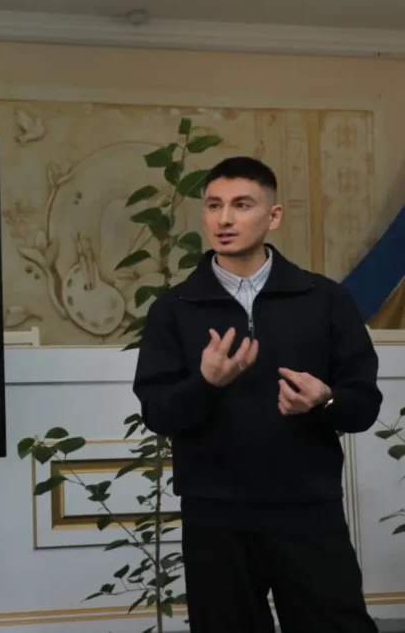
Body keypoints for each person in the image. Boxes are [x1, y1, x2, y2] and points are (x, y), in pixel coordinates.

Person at [132, 156, 382, 633]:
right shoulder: (174, 309)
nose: (224, 219)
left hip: (308, 511)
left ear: (274, 216)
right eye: (213, 205)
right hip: (215, 520)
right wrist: (205, 384)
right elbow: (158, 412)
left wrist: (324, 400)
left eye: (242, 205)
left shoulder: (326, 299)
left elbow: (364, 407)